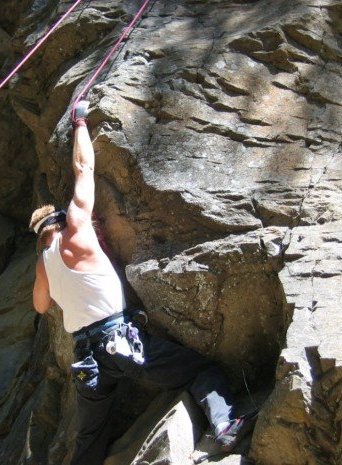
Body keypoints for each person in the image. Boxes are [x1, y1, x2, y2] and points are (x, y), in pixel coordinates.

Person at [31, 102, 256, 465]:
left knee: (90, 438)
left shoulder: (43, 264)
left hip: (86, 359)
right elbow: (83, 167)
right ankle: (225, 425)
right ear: (61, 218)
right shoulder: (74, 228)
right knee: (200, 369)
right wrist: (80, 122)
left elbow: (41, 306)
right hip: (119, 341)